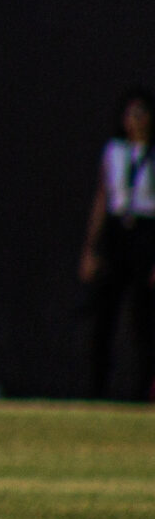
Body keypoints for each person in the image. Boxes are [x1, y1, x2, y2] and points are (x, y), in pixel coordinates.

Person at [78, 87, 155, 402]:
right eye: (130, 114)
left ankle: (142, 389)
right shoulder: (114, 152)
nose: (135, 121)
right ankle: (98, 388)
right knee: (104, 314)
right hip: (116, 231)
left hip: (146, 232)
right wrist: (90, 248)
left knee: (143, 318)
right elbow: (101, 199)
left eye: (141, 114)